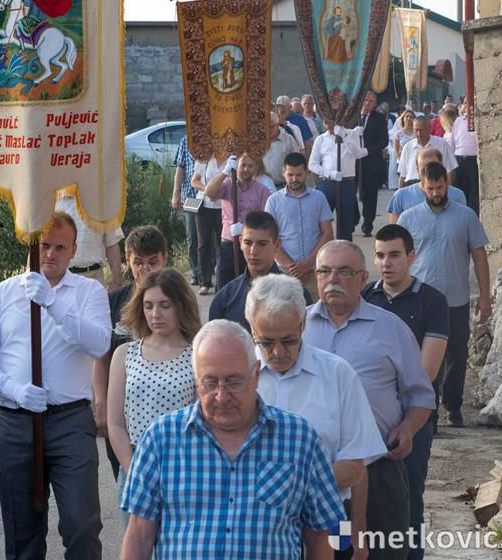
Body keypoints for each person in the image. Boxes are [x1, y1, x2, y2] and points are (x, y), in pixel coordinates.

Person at [119, 319, 346, 559]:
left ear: (256, 375)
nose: (222, 396)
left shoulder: (299, 439)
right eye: (210, 382)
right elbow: (139, 537)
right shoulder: (160, 439)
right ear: (196, 381)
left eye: (233, 382)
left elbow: (322, 534)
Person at [0, 212, 110, 559]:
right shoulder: (2, 294)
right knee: (22, 535)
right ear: (31, 245)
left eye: (60, 247)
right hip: (16, 423)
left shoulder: (89, 292)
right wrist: (12, 390)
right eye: (44, 245)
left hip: (70, 422)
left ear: (73, 251)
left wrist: (54, 304)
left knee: (82, 525)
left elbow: (100, 344)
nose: (50, 254)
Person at [304, 240, 436, 560]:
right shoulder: (298, 329)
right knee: (334, 553)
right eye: (324, 272)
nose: (333, 279)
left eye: (344, 272)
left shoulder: (390, 328)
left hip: (377, 474)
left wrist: (407, 429)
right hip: (320, 483)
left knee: (380, 553)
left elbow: (421, 395)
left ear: (363, 278)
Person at [247, 275, 386, 553]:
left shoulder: (337, 374)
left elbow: (355, 465)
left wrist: (358, 528)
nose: (278, 352)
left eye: (289, 340)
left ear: (303, 324)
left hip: (333, 518)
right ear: (252, 329)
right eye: (266, 342)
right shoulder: (236, 379)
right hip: (255, 527)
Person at [362, 224, 450, 560]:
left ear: (411, 257)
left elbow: (426, 373)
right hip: (365, 424)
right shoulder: (365, 298)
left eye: (395, 255)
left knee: (407, 507)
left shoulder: (432, 301)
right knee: (354, 507)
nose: (386, 263)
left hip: (412, 423)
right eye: (380, 255)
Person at [398, 162, 492, 427]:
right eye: (430, 188)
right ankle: (428, 412)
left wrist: (485, 296)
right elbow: (398, 258)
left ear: (446, 184)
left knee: (457, 356)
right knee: (424, 359)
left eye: (440, 187)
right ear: (422, 186)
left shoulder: (466, 217)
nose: (436, 193)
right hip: (421, 301)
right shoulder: (408, 219)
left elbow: (480, 256)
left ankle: (453, 406)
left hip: (456, 299)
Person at [107, 268, 200, 526]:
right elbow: (115, 423)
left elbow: (203, 420)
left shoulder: (198, 355)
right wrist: (136, 472)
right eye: (148, 306)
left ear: (181, 305)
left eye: (164, 305)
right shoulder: (124, 354)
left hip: (182, 470)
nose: (155, 314)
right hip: (135, 468)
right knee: (137, 545)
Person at [94, 225, 168, 481]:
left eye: (152, 262)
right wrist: (101, 403)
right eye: (138, 263)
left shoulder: (177, 300)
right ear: (127, 260)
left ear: (164, 258)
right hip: (120, 411)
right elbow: (101, 356)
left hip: (164, 404)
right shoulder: (113, 301)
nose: (145, 270)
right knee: (126, 481)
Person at [209, 210, 312, 331]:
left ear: (277, 245)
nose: (253, 251)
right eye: (248, 243)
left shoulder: (297, 295)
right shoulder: (225, 298)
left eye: (262, 244)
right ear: (240, 242)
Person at [266, 152, 334, 301]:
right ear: (283, 172)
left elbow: (328, 234)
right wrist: (292, 267)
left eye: (298, 175)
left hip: (315, 271)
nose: (294, 179)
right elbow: (269, 238)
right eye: (290, 175)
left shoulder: (319, 198)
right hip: (284, 273)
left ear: (307, 173)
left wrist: (307, 264)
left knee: (316, 312)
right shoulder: (273, 201)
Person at [204, 153, 271, 291]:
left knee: (249, 288)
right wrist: (225, 172)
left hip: (251, 246)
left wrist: (245, 229)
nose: (246, 169)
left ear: (256, 167)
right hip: (228, 244)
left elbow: (265, 221)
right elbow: (209, 192)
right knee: (223, 287)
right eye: (243, 165)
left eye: (250, 166)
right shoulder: (227, 184)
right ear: (236, 165)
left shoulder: (262, 191)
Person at [309, 119, 366, 241]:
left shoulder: (352, 134)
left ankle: (344, 249)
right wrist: (329, 173)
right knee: (321, 220)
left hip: (347, 183)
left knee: (346, 223)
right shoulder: (321, 139)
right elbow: (312, 164)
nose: (327, 124)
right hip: (327, 183)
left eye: (330, 121)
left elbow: (359, 154)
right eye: (325, 121)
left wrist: (344, 136)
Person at [55, 194, 123, 288]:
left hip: (94, 279)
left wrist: (117, 281)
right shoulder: (53, 205)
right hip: (61, 280)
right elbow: (42, 245)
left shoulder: (102, 204)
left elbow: (112, 244)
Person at [387, 148, 467, 222]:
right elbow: (394, 229)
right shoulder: (401, 196)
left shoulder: (457, 195)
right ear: (417, 170)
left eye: (433, 167)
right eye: (424, 169)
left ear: (442, 166)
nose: (429, 172)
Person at [191, 153, 227, 295]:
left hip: (223, 207)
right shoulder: (205, 159)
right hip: (204, 205)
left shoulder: (231, 160)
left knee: (222, 244)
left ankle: (222, 280)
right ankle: (204, 282)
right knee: (204, 243)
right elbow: (194, 181)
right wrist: (208, 188)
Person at [358, 90, 390, 237]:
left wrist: (367, 151)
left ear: (375, 103)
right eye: (365, 100)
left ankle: (367, 224)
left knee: (370, 195)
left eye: (370, 101)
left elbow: (383, 140)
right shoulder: (353, 117)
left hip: (371, 162)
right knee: (349, 192)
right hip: (352, 163)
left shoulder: (379, 119)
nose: (367, 104)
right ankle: (353, 217)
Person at [170, 135, 200, 285]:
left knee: (210, 237)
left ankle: (208, 271)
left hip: (211, 197)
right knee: (192, 236)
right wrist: (175, 194)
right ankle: (196, 272)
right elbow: (180, 168)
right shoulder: (185, 140)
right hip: (191, 196)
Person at [397, 116, 456, 188]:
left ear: (429, 129)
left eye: (422, 130)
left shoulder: (442, 144)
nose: (419, 133)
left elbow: (450, 171)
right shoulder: (407, 147)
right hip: (412, 185)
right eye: (416, 130)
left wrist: (448, 190)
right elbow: (402, 175)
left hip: (434, 184)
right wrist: (400, 192)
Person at [446, 100, 480, 215]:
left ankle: (473, 215)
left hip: (474, 159)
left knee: (474, 190)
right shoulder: (459, 121)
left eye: (470, 102)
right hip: (459, 158)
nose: (467, 105)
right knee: (460, 188)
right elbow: (453, 142)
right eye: (465, 103)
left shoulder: (479, 119)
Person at [263, 110, 304, 187]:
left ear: (277, 124)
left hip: (282, 186)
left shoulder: (288, 139)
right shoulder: (258, 140)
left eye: (271, 126)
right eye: (265, 127)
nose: (268, 129)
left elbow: (297, 162)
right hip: (262, 187)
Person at [390, 110, 416, 189]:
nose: (409, 118)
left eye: (411, 117)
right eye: (407, 116)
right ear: (403, 118)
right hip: (402, 161)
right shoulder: (398, 133)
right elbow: (396, 149)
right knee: (403, 183)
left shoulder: (416, 133)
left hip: (414, 162)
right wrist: (400, 160)